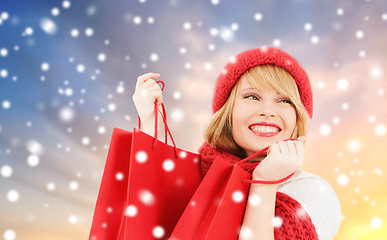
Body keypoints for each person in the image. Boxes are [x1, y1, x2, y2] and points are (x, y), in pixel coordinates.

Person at [133, 47, 341, 240]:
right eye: (252, 96)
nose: (268, 111)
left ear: (298, 116)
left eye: (284, 100)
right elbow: (146, 221)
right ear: (228, 111)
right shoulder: (196, 176)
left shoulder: (313, 192)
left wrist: (263, 182)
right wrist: (150, 124)